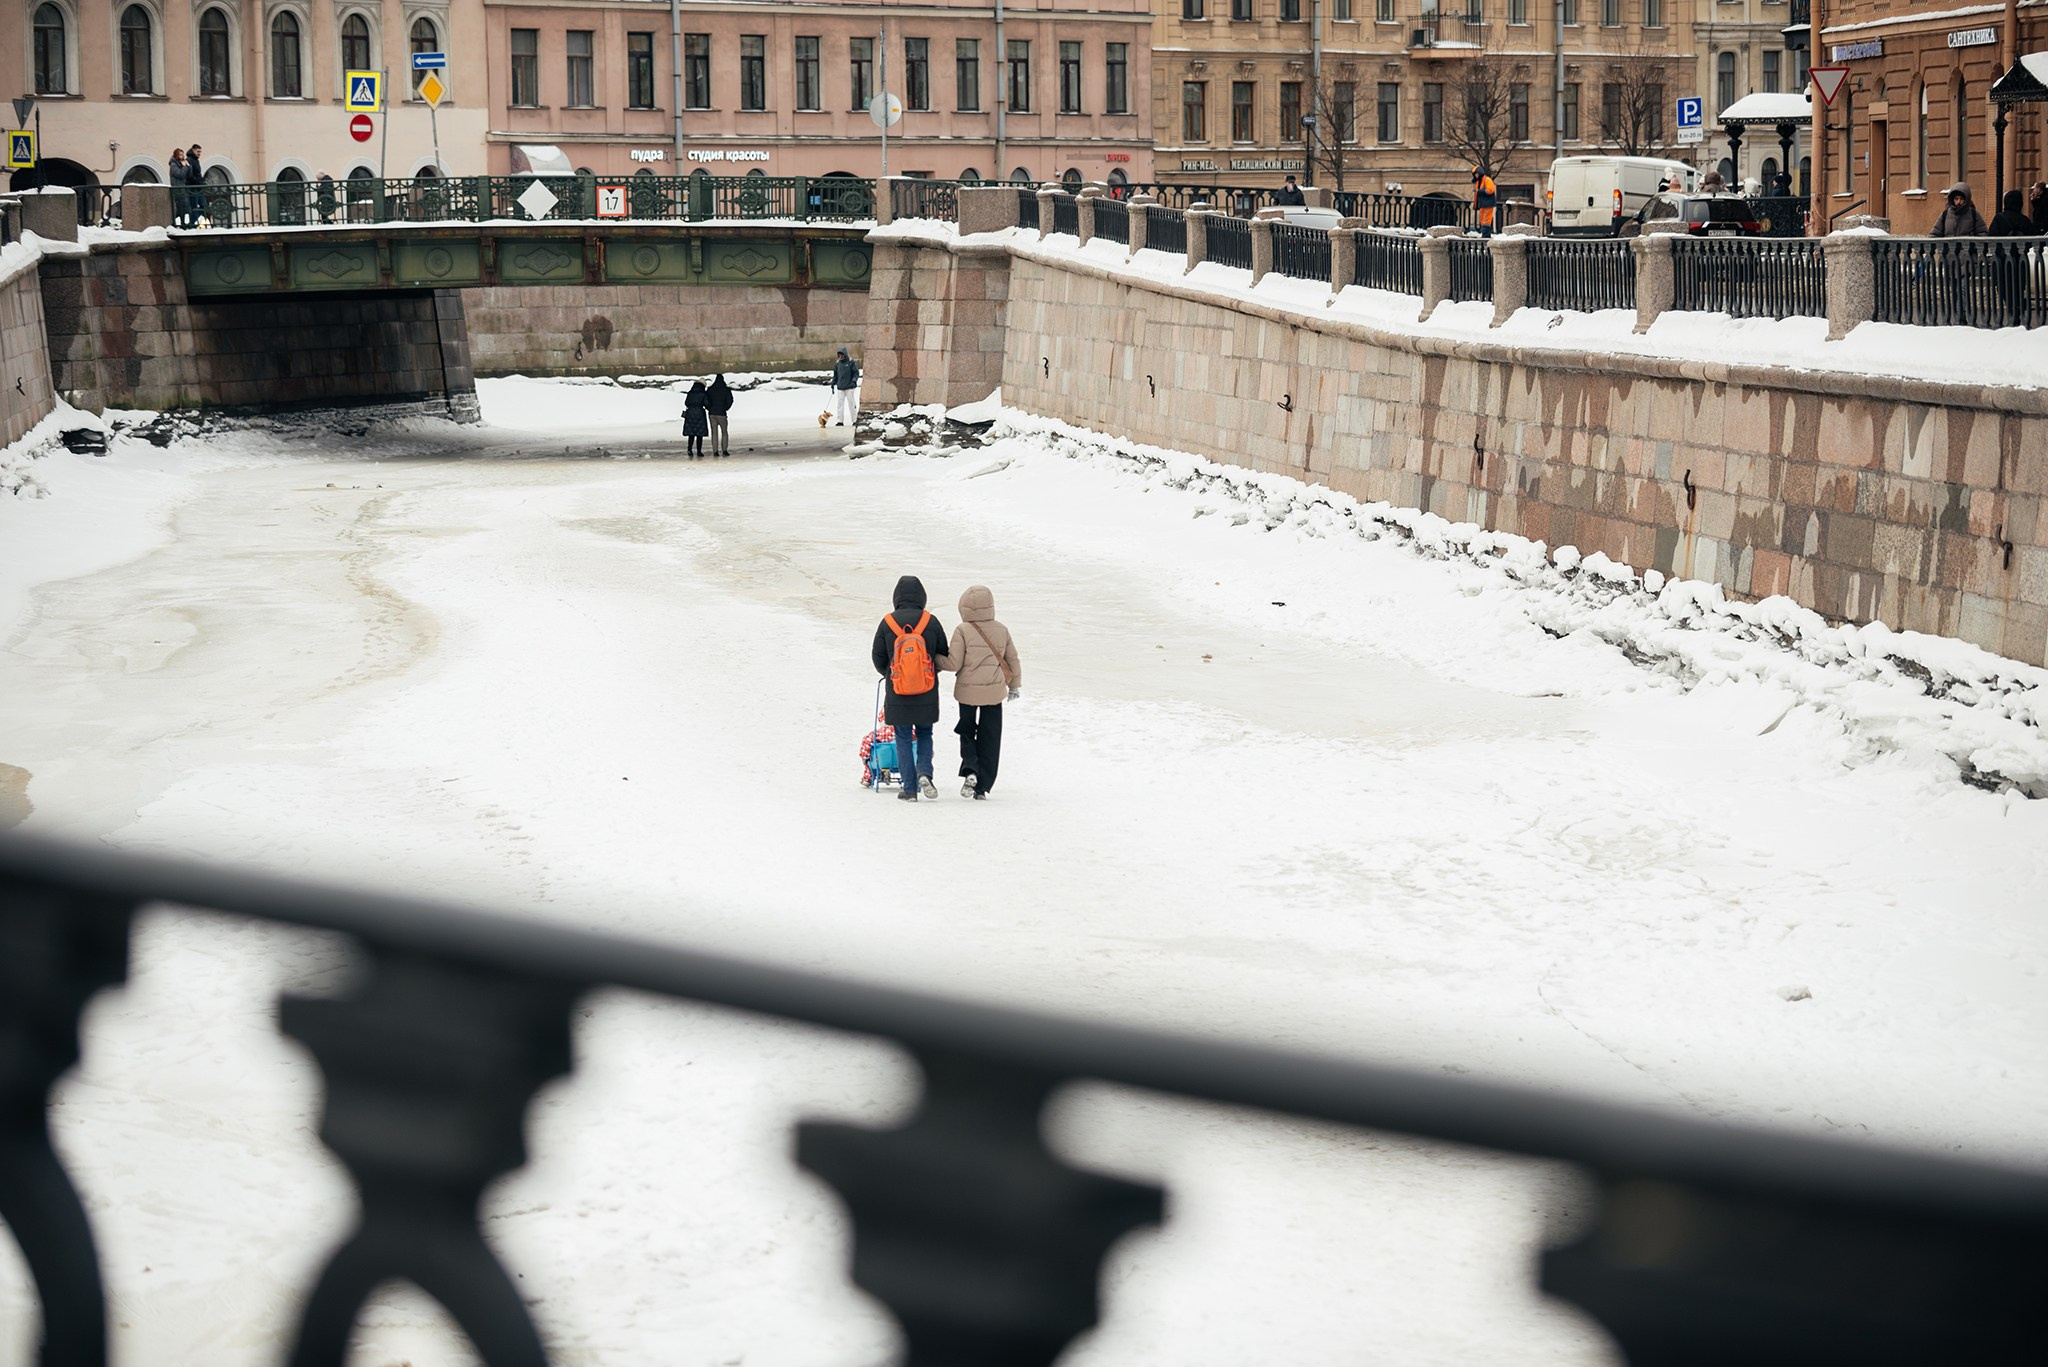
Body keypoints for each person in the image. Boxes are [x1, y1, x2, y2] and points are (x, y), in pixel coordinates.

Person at [872, 576, 951, 801]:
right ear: (922, 597)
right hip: (926, 690)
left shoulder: (888, 622)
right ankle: (925, 773)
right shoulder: (930, 621)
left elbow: (878, 657)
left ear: (896, 597)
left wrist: (891, 675)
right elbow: (943, 654)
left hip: (898, 690)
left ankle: (909, 789)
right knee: (925, 733)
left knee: (903, 736)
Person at [945, 585, 1021, 800]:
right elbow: (1012, 660)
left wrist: (933, 660)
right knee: (991, 737)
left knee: (967, 731)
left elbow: (953, 663)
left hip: (967, 692)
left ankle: (971, 769)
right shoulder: (1002, 629)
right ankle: (983, 787)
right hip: (994, 693)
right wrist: (1014, 686)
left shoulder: (962, 630)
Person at [830, 347, 860, 427]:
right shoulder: (837, 364)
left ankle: (854, 420)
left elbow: (856, 373)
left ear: (845, 355)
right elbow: (835, 375)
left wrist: (853, 381)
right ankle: (840, 421)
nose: (841, 357)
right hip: (840, 387)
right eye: (839, 355)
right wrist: (833, 383)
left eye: (842, 355)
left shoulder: (851, 363)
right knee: (840, 404)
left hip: (850, 387)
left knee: (851, 403)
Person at [705, 373, 733, 456]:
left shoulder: (710, 389)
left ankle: (715, 451)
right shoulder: (726, 390)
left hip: (712, 414)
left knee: (714, 433)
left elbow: (706, 401)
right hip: (722, 413)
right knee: (724, 432)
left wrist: (709, 408)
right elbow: (730, 400)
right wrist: (725, 408)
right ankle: (724, 450)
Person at [682, 379, 709, 459]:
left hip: (690, 413)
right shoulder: (703, 393)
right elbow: (706, 403)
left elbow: (686, 403)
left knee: (691, 433)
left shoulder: (690, 393)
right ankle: (699, 451)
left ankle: (689, 449)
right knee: (699, 434)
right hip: (700, 413)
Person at [1470, 165, 1498, 237]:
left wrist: (1479, 191)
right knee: (1483, 221)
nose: (1475, 176)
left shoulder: (1487, 180)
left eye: (1476, 174)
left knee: (1486, 220)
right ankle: (1486, 235)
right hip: (1483, 204)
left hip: (1488, 203)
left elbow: (1490, 190)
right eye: (1474, 174)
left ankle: (1485, 235)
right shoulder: (1478, 182)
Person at [167, 149, 191, 229]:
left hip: (182, 188)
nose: (182, 156)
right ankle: (176, 223)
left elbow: (189, 174)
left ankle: (183, 223)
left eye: (182, 154)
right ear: (176, 155)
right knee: (179, 207)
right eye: (180, 155)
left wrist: (188, 166)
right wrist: (184, 167)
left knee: (184, 207)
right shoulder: (173, 165)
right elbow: (180, 174)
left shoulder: (181, 163)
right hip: (177, 188)